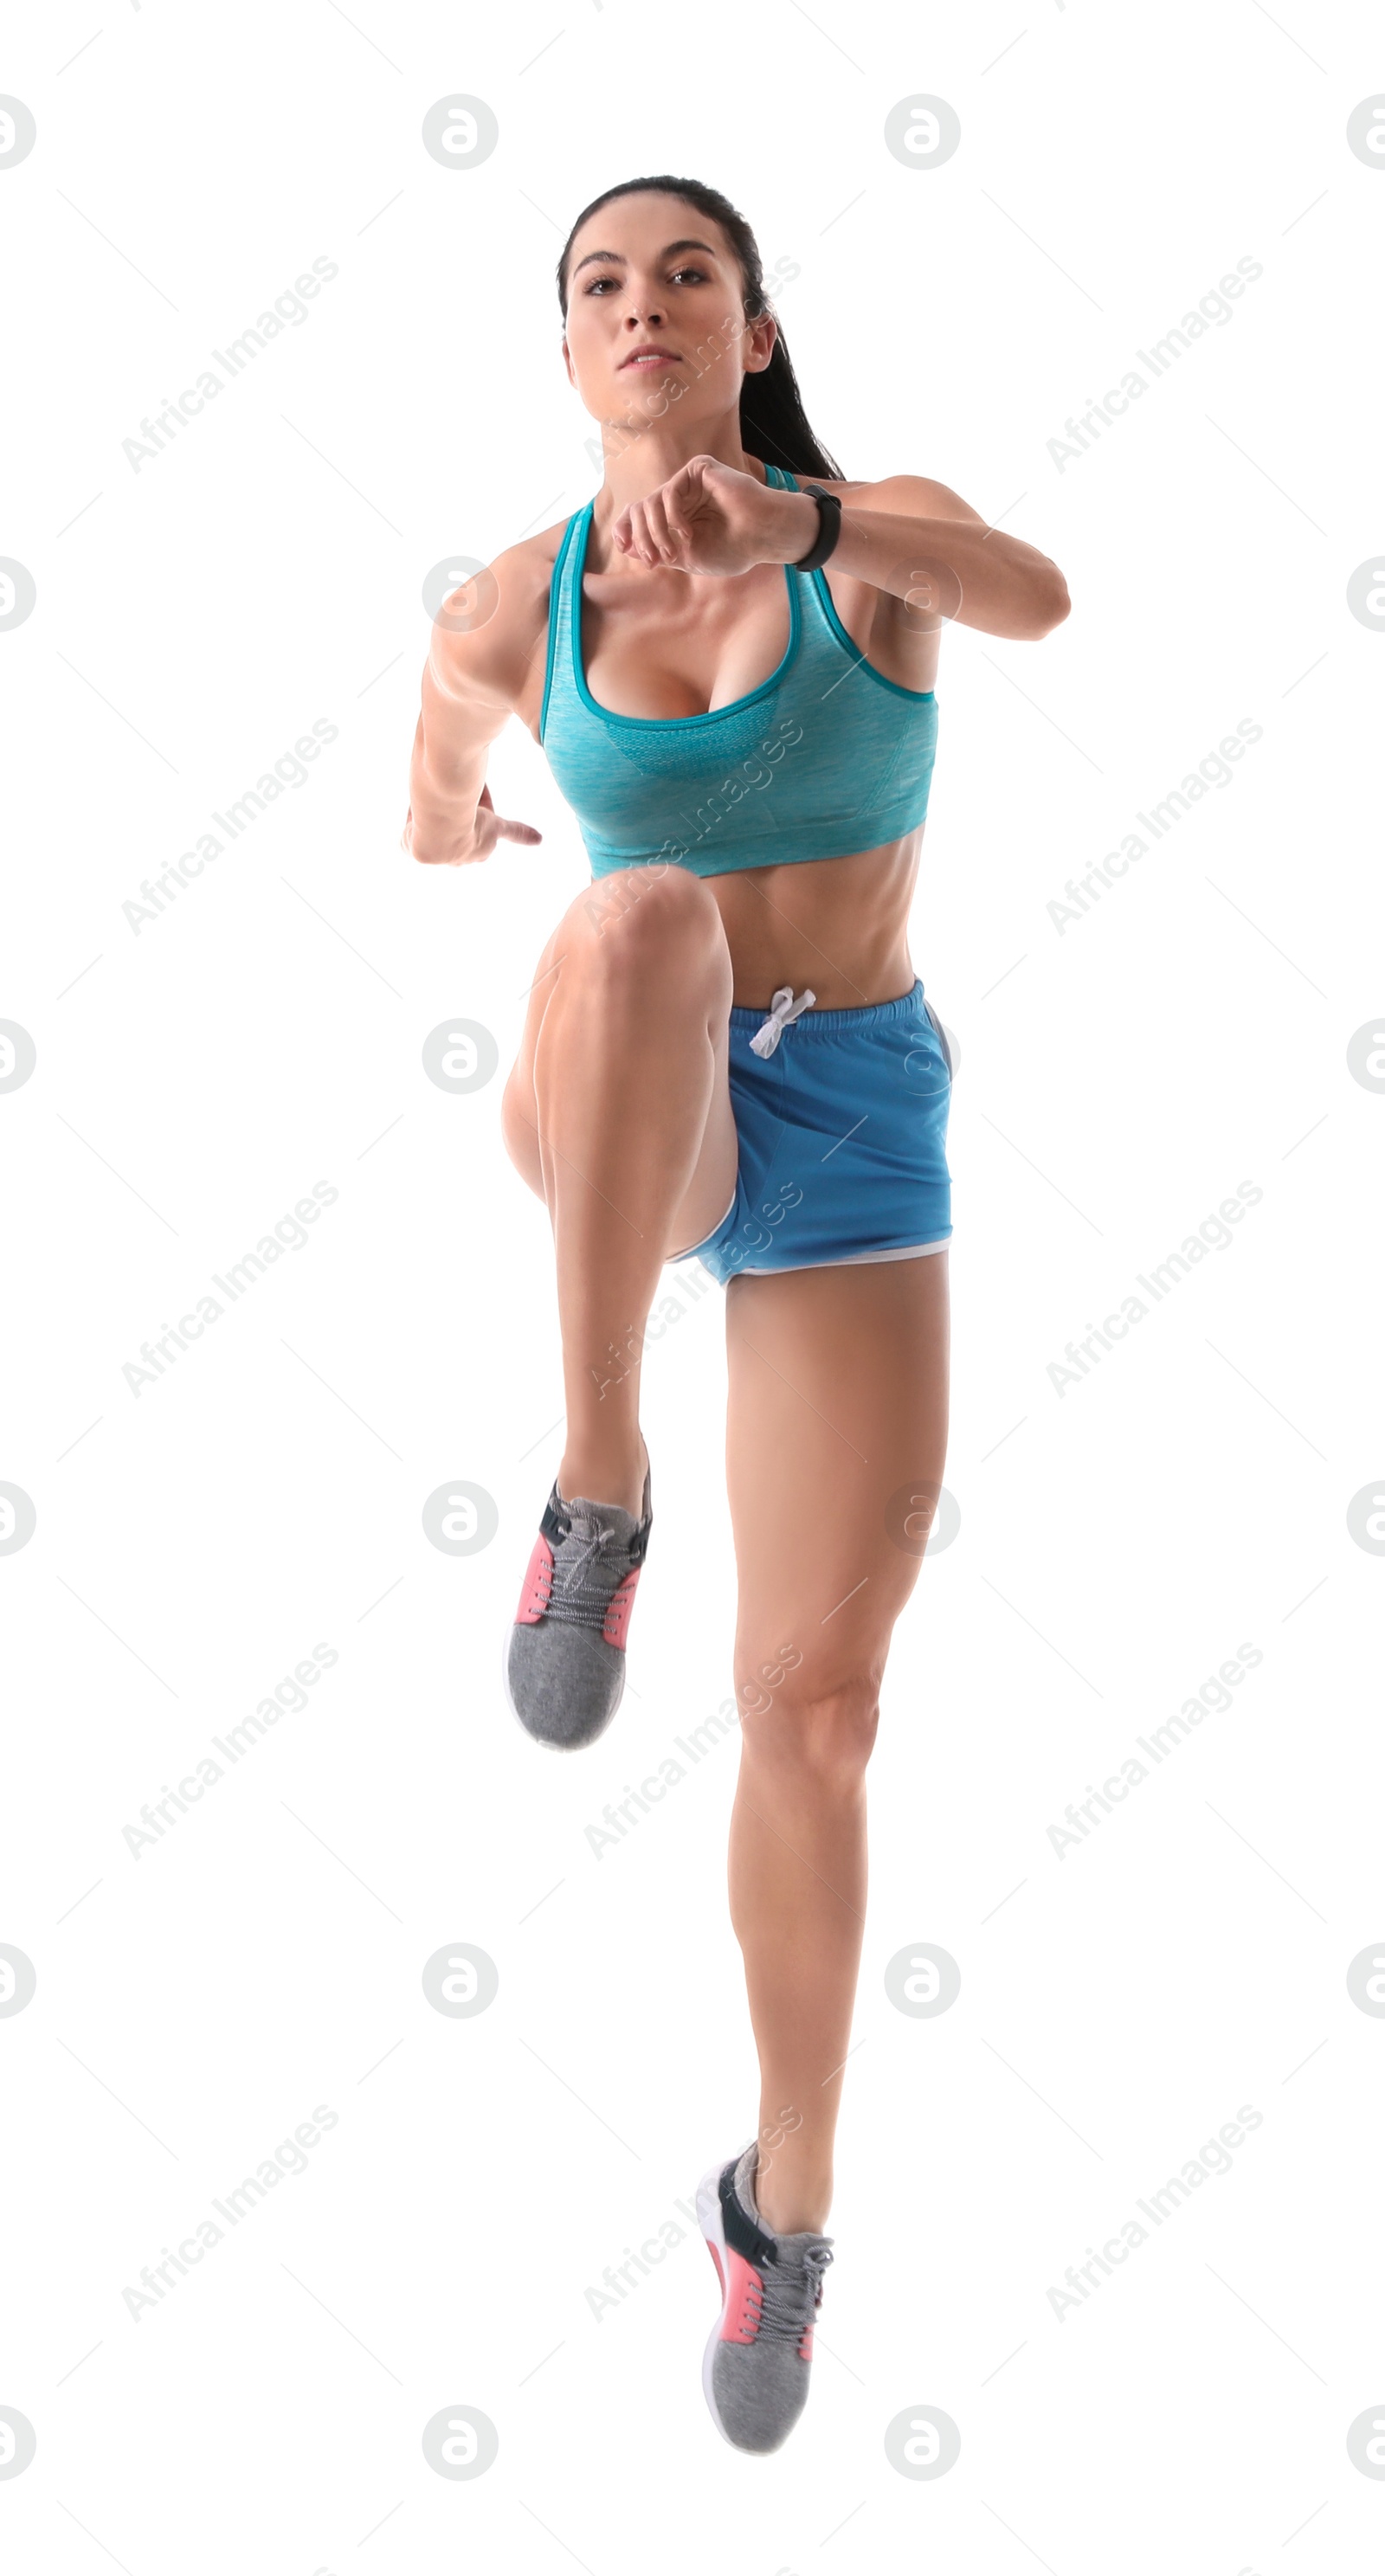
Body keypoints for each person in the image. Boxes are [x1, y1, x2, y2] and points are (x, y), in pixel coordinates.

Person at [403, 172, 1069, 2454]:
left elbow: (1042, 600)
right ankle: (596, 1479)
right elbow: (433, 763)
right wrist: (450, 817)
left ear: (753, 323)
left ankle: (777, 2210)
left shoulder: (872, 537)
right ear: (570, 352)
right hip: (629, 1107)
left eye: (686, 268)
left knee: (815, 1712)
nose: (643, 302)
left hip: (855, 1112)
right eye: (601, 281)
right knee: (642, 926)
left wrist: (811, 539)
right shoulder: (521, 597)